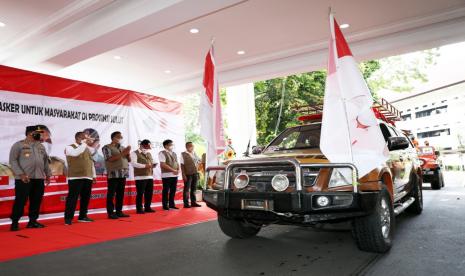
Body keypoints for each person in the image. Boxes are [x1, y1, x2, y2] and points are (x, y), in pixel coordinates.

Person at [9, 125, 51, 231]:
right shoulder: (18, 145)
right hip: (24, 178)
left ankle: (32, 222)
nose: (40, 134)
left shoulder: (41, 146)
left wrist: (48, 174)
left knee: (36, 200)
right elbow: (13, 161)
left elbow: (45, 161)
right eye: (38, 132)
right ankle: (15, 222)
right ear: (30, 133)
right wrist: (20, 174)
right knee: (21, 200)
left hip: (39, 177)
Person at [63, 131, 96, 225]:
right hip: (75, 177)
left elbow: (91, 162)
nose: (86, 139)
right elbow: (76, 153)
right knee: (72, 198)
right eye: (84, 137)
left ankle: (83, 216)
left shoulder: (86, 148)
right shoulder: (69, 147)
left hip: (87, 176)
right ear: (78, 137)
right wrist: (85, 143)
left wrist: (93, 175)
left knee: (86, 197)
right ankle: (68, 218)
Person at [102, 131, 131, 219]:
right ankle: (110, 213)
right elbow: (109, 159)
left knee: (120, 194)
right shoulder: (106, 147)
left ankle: (119, 211)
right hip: (113, 173)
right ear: (113, 138)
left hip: (123, 173)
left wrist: (128, 153)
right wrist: (123, 153)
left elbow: (128, 160)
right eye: (118, 137)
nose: (120, 138)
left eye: (121, 137)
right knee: (111, 194)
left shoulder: (122, 147)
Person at [130, 139, 157, 214]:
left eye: (149, 146)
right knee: (140, 193)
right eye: (147, 146)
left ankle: (147, 207)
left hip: (150, 176)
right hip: (140, 177)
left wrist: (154, 164)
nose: (148, 148)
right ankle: (139, 209)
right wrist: (146, 165)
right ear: (142, 145)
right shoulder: (134, 153)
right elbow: (134, 164)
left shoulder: (149, 153)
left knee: (149, 193)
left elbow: (153, 162)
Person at [158, 139, 179, 210]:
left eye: (172, 144)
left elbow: (177, 163)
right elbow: (162, 164)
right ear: (166, 145)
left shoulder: (174, 153)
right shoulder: (162, 153)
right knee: (166, 191)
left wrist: (178, 170)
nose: (172, 146)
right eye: (170, 145)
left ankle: (171, 204)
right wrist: (173, 170)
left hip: (174, 175)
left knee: (173, 190)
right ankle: (165, 205)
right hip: (166, 175)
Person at [180, 142, 202, 208]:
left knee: (194, 189)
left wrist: (199, 161)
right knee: (187, 189)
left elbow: (199, 161)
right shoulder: (183, 154)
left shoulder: (194, 153)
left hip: (195, 173)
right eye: (190, 146)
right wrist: (183, 175)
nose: (192, 147)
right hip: (188, 174)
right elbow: (182, 165)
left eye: (192, 146)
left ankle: (193, 202)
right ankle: (186, 203)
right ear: (186, 147)